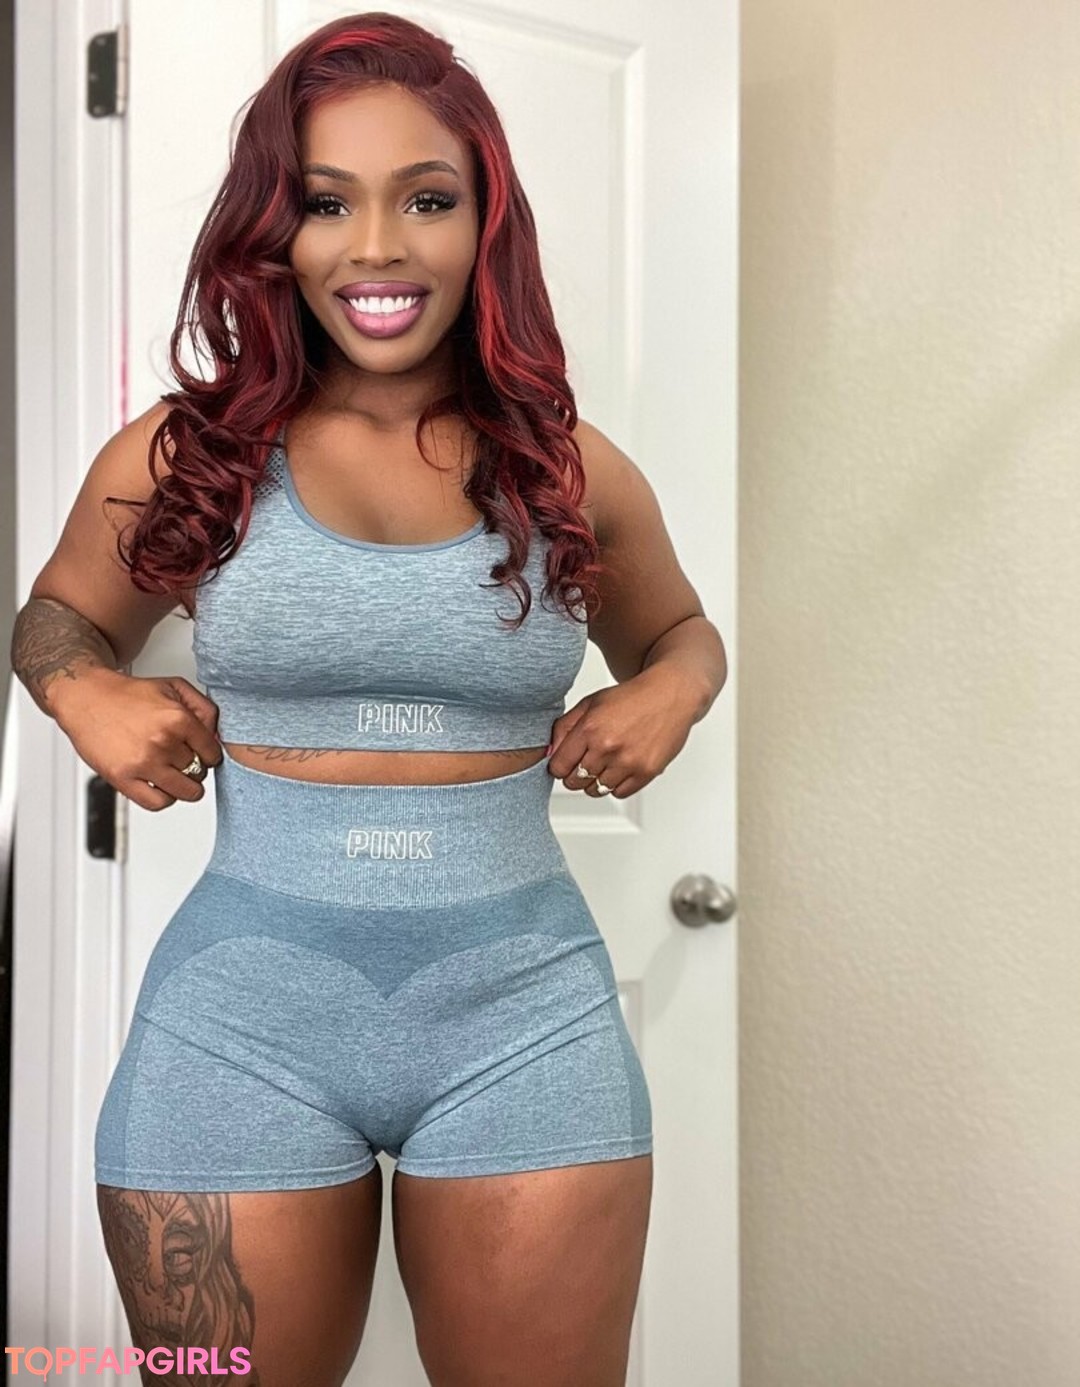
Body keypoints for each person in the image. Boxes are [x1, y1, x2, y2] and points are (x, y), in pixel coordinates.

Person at [11, 12, 726, 1385]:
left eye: (428, 200)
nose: (378, 247)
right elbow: (56, 616)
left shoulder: (568, 470)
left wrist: (672, 692)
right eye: (328, 202)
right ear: (273, 231)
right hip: (238, 1026)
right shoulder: (189, 454)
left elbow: (683, 633)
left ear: (484, 226)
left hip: (528, 1022)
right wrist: (84, 689)